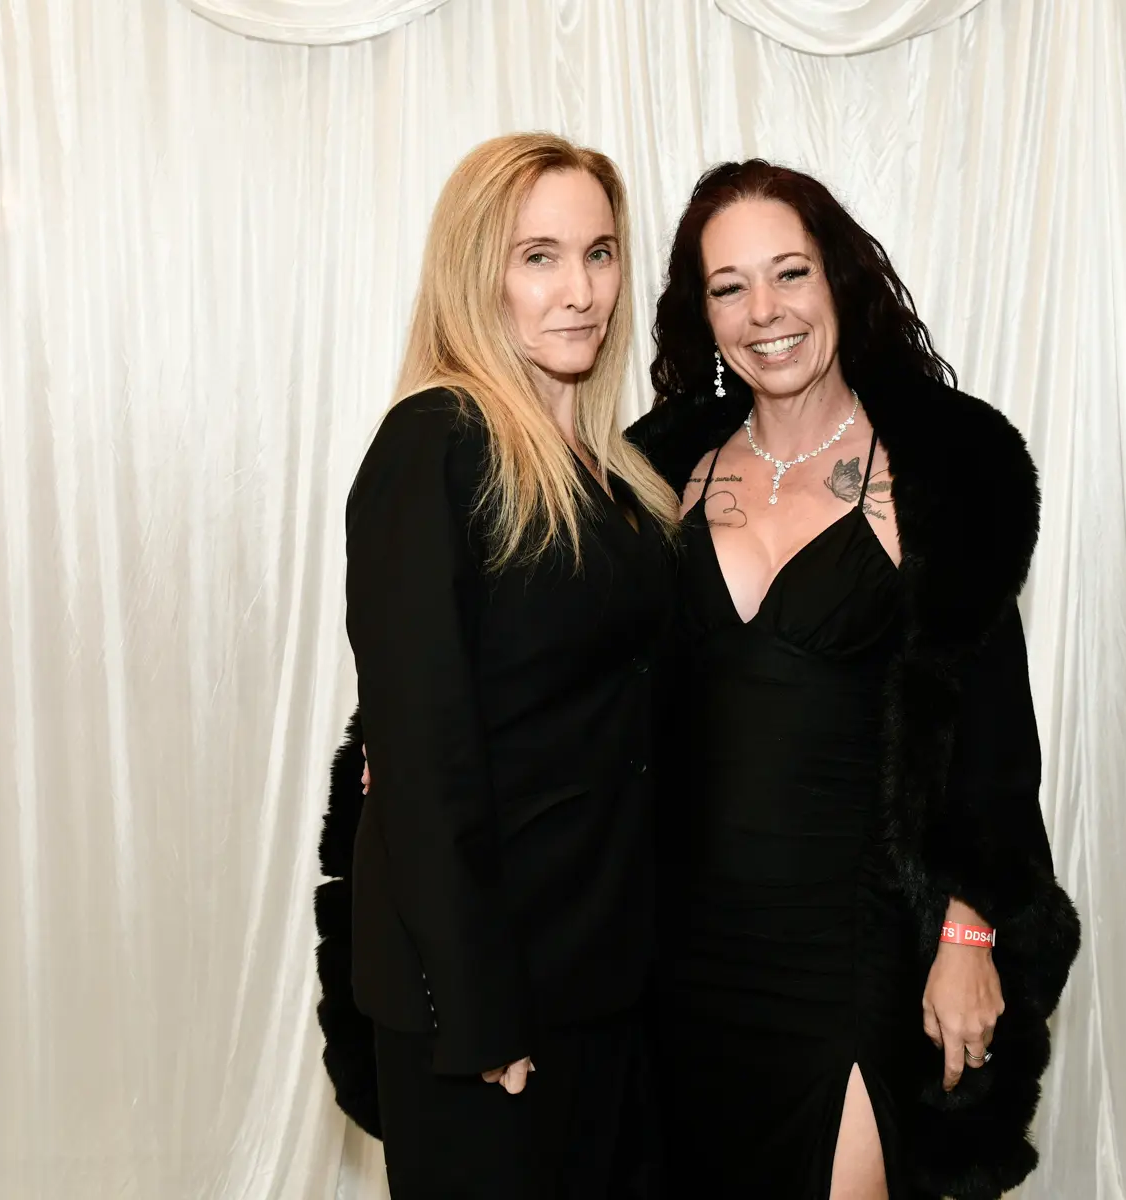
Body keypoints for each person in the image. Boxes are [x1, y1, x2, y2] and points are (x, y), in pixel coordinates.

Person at [626, 161, 1080, 1200]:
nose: (765, 311)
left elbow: (990, 738)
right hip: (682, 948)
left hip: (853, 941)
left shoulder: (942, 473)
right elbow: (578, 666)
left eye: (789, 273)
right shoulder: (654, 474)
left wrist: (969, 929)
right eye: (730, 286)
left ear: (837, 278)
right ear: (703, 313)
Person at [316, 133, 681, 1199]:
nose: (581, 291)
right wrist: (477, 1008)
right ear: (478, 274)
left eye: (600, 253)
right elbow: (421, 756)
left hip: (605, 972)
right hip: (487, 992)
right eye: (539, 257)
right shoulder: (436, 444)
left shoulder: (613, 474)